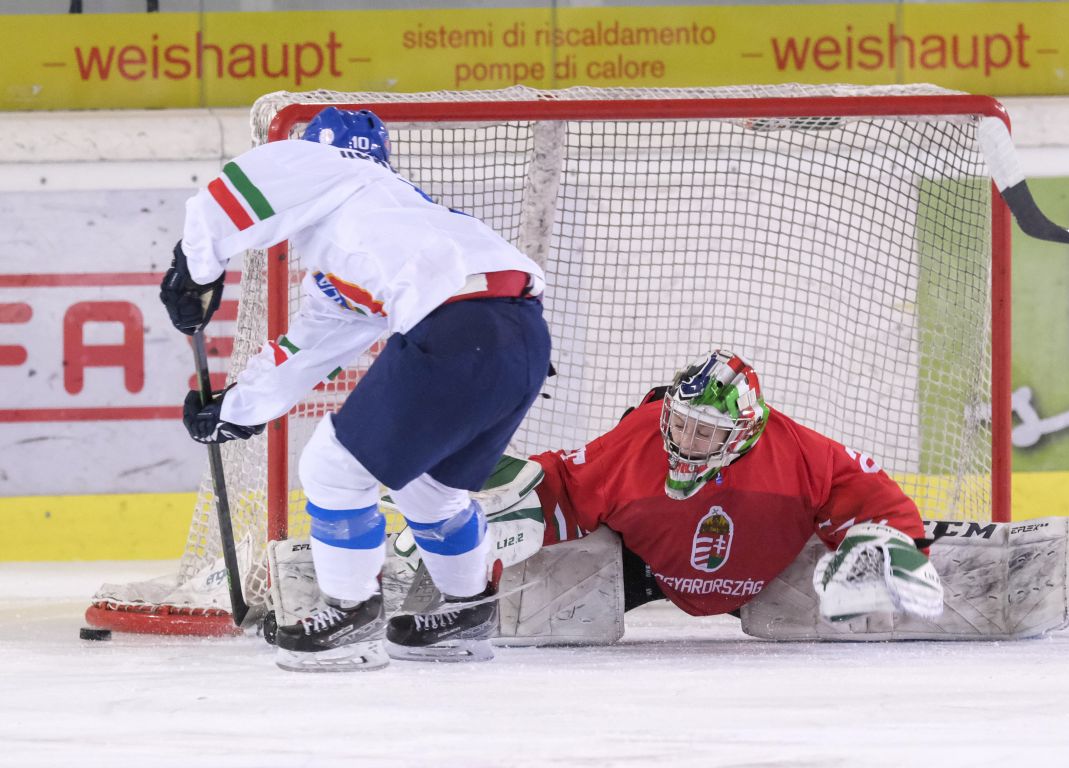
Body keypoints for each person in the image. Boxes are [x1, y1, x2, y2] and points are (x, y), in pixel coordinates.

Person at [159, 106, 552, 672]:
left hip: (460, 325)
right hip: (522, 336)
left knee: (333, 469)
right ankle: (468, 610)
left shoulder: (326, 163)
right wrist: (237, 408)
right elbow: (313, 345)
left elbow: (218, 204)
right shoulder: (377, 232)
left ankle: (351, 614)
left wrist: (192, 270)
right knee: (429, 490)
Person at [525, 348, 944, 623]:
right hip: (645, 564)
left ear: (742, 433)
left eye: (704, 433)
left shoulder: (799, 454)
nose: (684, 441)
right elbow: (567, 483)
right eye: (680, 423)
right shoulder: (640, 436)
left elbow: (869, 492)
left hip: (763, 576)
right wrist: (502, 504)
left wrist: (899, 551)